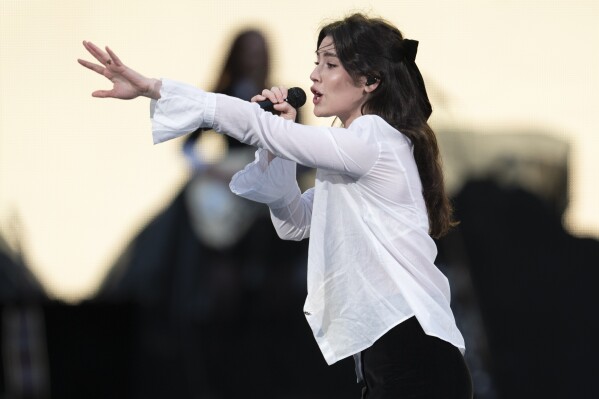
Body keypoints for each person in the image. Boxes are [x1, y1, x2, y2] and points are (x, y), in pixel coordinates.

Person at [78, 13, 473, 399]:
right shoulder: (354, 160)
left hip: (411, 349)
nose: (314, 75)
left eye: (330, 64)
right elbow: (294, 223)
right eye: (316, 62)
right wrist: (279, 145)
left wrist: (155, 88)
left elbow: (258, 127)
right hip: (390, 354)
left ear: (370, 80)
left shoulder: (374, 138)